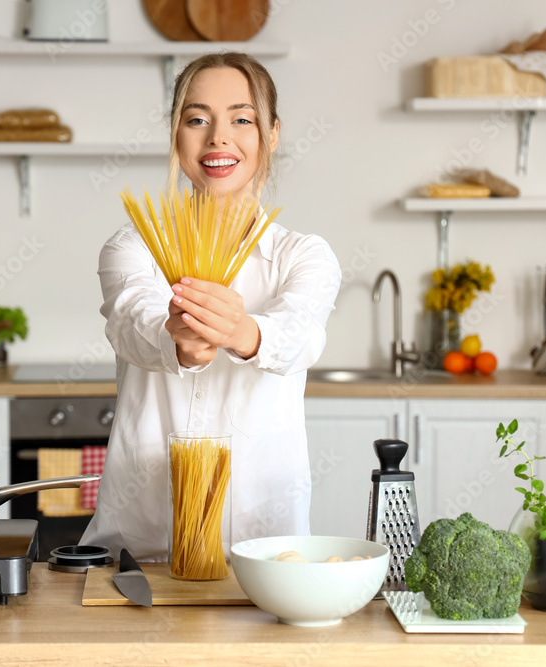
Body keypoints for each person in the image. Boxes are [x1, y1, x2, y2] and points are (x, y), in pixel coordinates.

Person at [80, 52, 342, 561]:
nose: (218, 138)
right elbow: (131, 323)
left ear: (272, 133)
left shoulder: (304, 256)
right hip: (139, 552)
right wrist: (176, 340)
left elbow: (300, 337)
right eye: (197, 119)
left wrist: (244, 333)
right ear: (176, 134)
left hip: (265, 556)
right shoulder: (132, 247)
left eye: (242, 119)